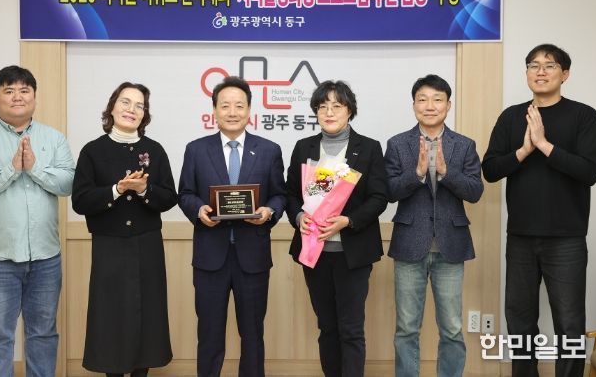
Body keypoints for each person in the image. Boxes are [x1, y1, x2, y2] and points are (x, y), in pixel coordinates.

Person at [482, 44, 596, 377]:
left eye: (549, 65)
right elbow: (490, 170)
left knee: (569, 323)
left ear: (565, 74)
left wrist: (545, 145)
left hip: (566, 239)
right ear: (526, 73)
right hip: (520, 236)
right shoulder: (511, 117)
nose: (540, 71)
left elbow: (589, 172)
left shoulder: (584, 116)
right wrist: (524, 150)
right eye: (533, 65)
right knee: (519, 321)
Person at [0, 65, 75, 377]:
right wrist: (11, 170)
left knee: (43, 334)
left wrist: (34, 168)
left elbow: (68, 184)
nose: (17, 97)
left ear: (35, 97)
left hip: (46, 259)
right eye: (9, 91)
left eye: (24, 90)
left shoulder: (54, 139)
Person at [177, 76, 286, 377]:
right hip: (210, 258)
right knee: (209, 335)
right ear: (214, 110)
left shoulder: (269, 150)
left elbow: (280, 194)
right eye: (225, 106)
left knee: (252, 335)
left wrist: (269, 211)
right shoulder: (196, 150)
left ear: (249, 110)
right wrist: (198, 209)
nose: (232, 112)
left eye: (239, 105)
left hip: (253, 257)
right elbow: (185, 193)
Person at [72, 82, 177, 377]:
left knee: (147, 315)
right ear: (112, 107)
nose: (132, 109)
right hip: (109, 246)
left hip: (147, 245)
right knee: (111, 317)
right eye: (125, 102)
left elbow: (170, 197)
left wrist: (144, 190)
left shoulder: (154, 150)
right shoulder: (92, 151)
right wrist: (117, 190)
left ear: (145, 114)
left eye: (139, 105)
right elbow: (80, 201)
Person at [285, 80, 388, 377]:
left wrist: (348, 221)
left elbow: (379, 197)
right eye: (322, 106)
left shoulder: (368, 148)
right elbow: (290, 193)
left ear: (349, 110)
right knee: (327, 327)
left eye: (336, 106)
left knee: (351, 329)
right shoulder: (304, 147)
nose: (329, 112)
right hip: (314, 253)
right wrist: (298, 216)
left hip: (352, 253)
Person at [385, 74, 483, 377]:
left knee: (452, 328)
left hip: (450, 246)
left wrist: (445, 172)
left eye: (437, 99)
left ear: (448, 105)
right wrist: (416, 174)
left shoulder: (464, 145)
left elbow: (475, 192)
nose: (430, 106)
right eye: (423, 99)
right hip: (409, 243)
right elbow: (389, 192)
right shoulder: (397, 144)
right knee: (406, 328)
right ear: (414, 104)